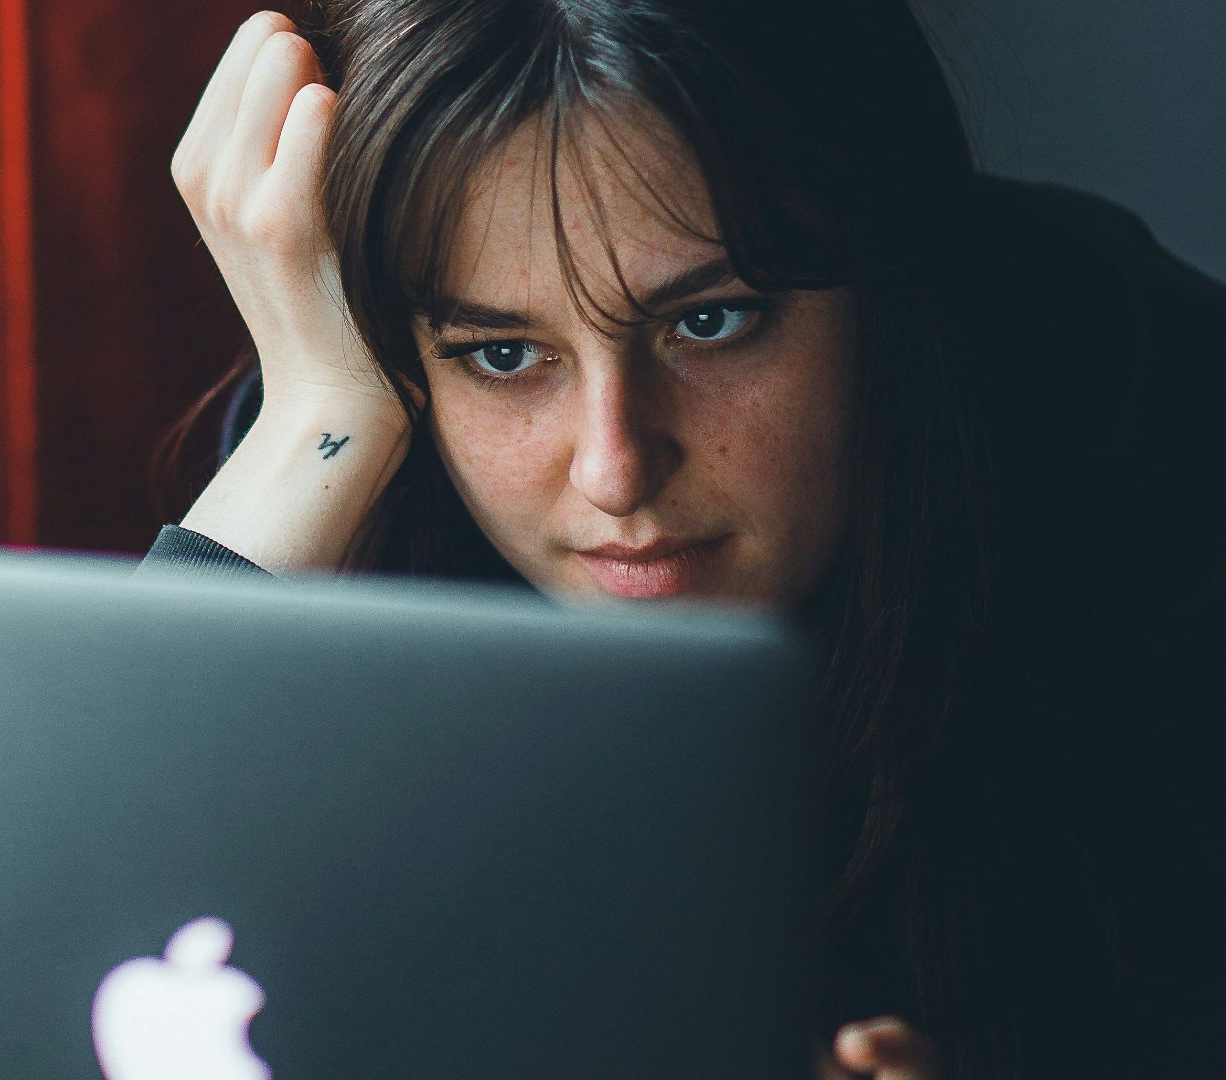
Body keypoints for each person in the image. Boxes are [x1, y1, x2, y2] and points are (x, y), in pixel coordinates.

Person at [142, 2, 1226, 1077]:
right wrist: (317, 413)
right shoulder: (354, 451)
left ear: (891, 295)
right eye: (501, 355)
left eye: (708, 321)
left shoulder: (1155, 461)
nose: (614, 470)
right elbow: (87, 945)